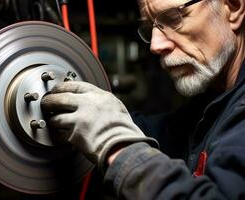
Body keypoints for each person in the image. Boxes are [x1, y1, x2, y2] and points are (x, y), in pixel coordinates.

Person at [41, 0, 245, 199]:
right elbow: (160, 132)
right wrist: (85, 117)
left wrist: (115, 145)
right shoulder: (211, 103)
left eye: (174, 18)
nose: (155, 46)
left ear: (233, 7)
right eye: (149, 28)